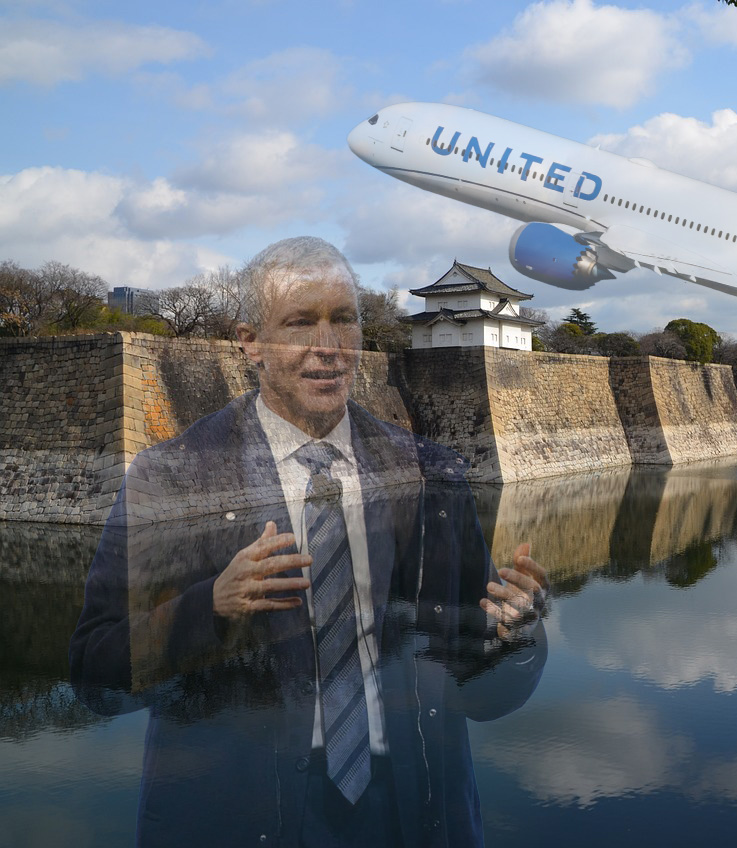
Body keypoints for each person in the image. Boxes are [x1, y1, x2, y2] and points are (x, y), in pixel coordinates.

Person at [70, 237, 547, 847]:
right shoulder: (174, 478)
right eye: (299, 322)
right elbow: (94, 676)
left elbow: (478, 695)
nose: (328, 345)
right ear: (251, 343)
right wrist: (207, 607)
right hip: (238, 815)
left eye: (343, 320)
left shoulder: (429, 474)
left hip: (409, 814)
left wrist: (517, 638)